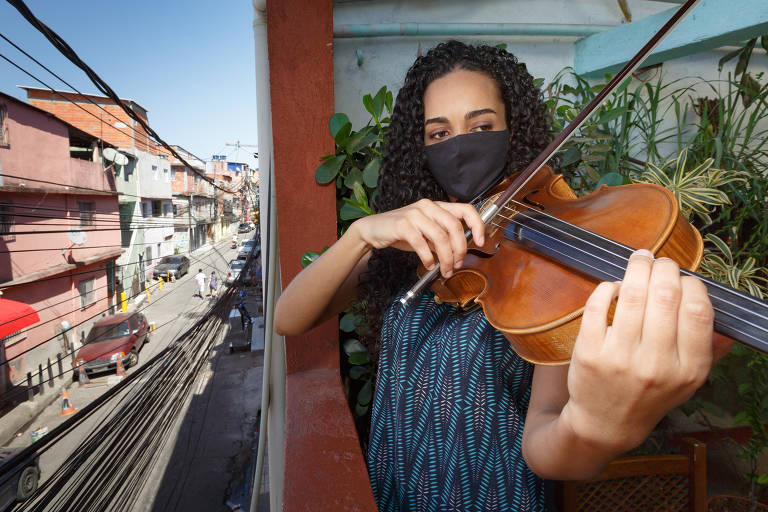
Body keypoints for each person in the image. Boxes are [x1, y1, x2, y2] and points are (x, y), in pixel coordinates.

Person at [274, 41, 728, 511]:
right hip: (395, 491)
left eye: (481, 126)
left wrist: (598, 426)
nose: (459, 145)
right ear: (420, 147)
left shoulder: (549, 268)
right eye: (438, 133)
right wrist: (362, 233)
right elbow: (289, 317)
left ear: (513, 130)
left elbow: (546, 444)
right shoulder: (410, 244)